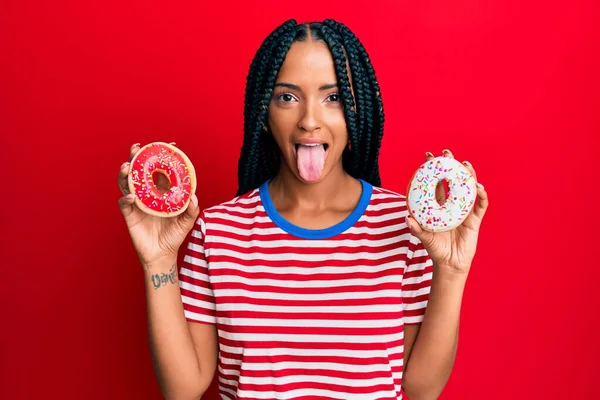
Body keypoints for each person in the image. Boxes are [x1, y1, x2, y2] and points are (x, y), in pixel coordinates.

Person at [117, 19, 489, 400]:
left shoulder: (406, 227)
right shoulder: (217, 232)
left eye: (334, 98)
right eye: (287, 97)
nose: (310, 120)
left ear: (357, 111)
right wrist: (159, 261)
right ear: (264, 113)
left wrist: (452, 271)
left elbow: (423, 388)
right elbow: (182, 390)